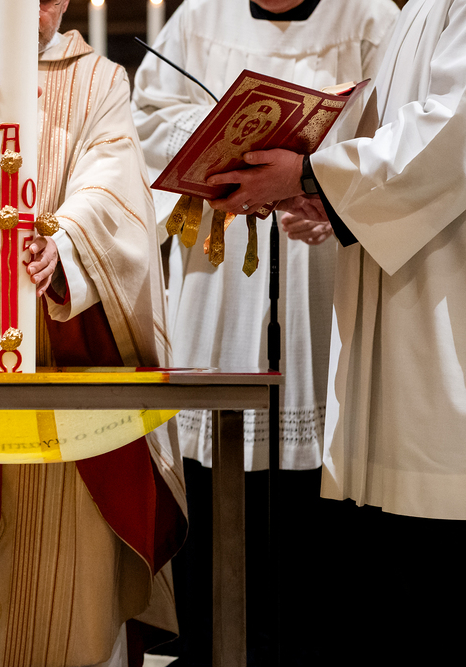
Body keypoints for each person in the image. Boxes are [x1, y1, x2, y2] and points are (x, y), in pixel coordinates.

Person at [0, 1, 188, 665]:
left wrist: (68, 244)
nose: (36, 6)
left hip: (68, 349)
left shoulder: (101, 80)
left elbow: (116, 186)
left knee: (73, 566)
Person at [131, 0, 398, 663]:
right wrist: (217, 140)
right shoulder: (199, 17)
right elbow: (146, 122)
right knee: (215, 467)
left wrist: (319, 181)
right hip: (218, 268)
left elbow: (399, 140)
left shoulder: (370, 19)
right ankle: (211, 644)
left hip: (321, 264)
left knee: (319, 482)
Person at [204, 0, 466, 662]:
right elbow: (395, 130)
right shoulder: (416, 10)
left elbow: (450, 131)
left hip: (444, 310)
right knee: (405, 571)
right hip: (404, 298)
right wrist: (325, 198)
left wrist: (310, 175)